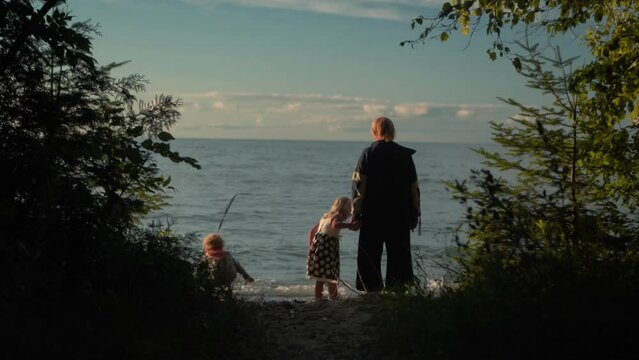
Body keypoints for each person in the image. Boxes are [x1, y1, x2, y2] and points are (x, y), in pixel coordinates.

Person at [351, 116, 421, 292]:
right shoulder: (405, 156)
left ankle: (371, 292)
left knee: (370, 256)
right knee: (399, 257)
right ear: (393, 131)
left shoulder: (368, 154)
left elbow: (359, 186)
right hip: (400, 214)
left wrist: (356, 214)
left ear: (375, 132)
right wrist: (415, 213)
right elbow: (414, 188)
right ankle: (398, 291)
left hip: (372, 215)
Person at [306, 196, 352, 300]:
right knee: (332, 277)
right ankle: (334, 298)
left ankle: (318, 298)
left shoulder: (326, 216)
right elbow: (335, 225)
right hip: (328, 249)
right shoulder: (338, 216)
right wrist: (349, 226)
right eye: (349, 211)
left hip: (317, 249)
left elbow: (312, 231)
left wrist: (310, 247)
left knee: (320, 277)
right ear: (345, 210)